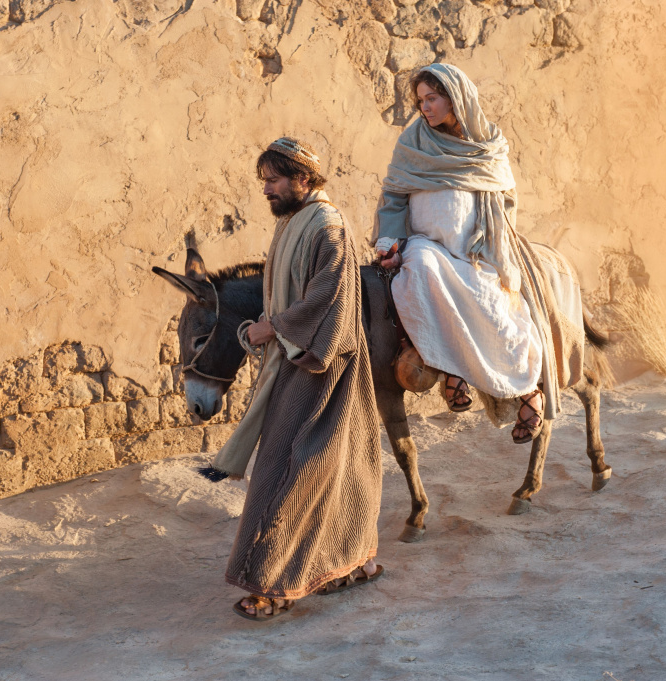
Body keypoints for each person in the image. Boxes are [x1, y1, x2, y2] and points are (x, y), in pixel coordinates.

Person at [207, 137, 384, 621]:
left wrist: (274, 327)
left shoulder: (328, 228)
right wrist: (267, 329)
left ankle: (273, 584)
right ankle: (347, 564)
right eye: (264, 180)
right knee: (326, 469)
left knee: (287, 472)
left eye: (274, 179)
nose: (266, 189)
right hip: (293, 358)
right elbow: (285, 293)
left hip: (322, 365)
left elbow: (328, 301)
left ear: (303, 180)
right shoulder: (293, 223)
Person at [374, 63, 553, 443]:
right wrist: (389, 242)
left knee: (495, 307)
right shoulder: (413, 143)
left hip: (477, 252)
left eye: (433, 98)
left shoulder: (488, 144)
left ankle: (526, 389)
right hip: (428, 247)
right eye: (421, 100)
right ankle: (448, 368)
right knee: (418, 266)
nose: (425, 107)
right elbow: (393, 196)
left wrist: (495, 246)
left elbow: (504, 201)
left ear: (456, 98)